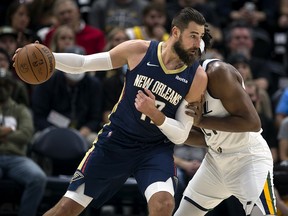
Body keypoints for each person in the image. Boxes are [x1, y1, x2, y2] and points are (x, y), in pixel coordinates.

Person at [14, 7, 211, 216]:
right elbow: (83, 63)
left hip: (154, 149)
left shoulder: (197, 77)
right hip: (115, 141)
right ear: (175, 32)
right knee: (66, 209)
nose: (197, 43)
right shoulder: (139, 50)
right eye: (192, 36)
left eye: (200, 37)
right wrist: (48, 56)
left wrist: (156, 114)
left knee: (164, 204)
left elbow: (181, 134)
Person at [173, 59, 276, 216]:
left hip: (248, 158)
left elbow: (253, 123)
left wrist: (202, 121)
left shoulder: (218, 72)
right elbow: (204, 139)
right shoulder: (176, 86)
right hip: (215, 162)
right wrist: (163, 125)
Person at [0, 69, 47, 216]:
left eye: (5, 85)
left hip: (17, 157)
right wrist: (10, 131)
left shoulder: (21, 110)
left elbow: (26, 135)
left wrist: (5, 133)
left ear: (12, 87)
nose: (2, 89)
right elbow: (20, 134)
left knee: (38, 178)